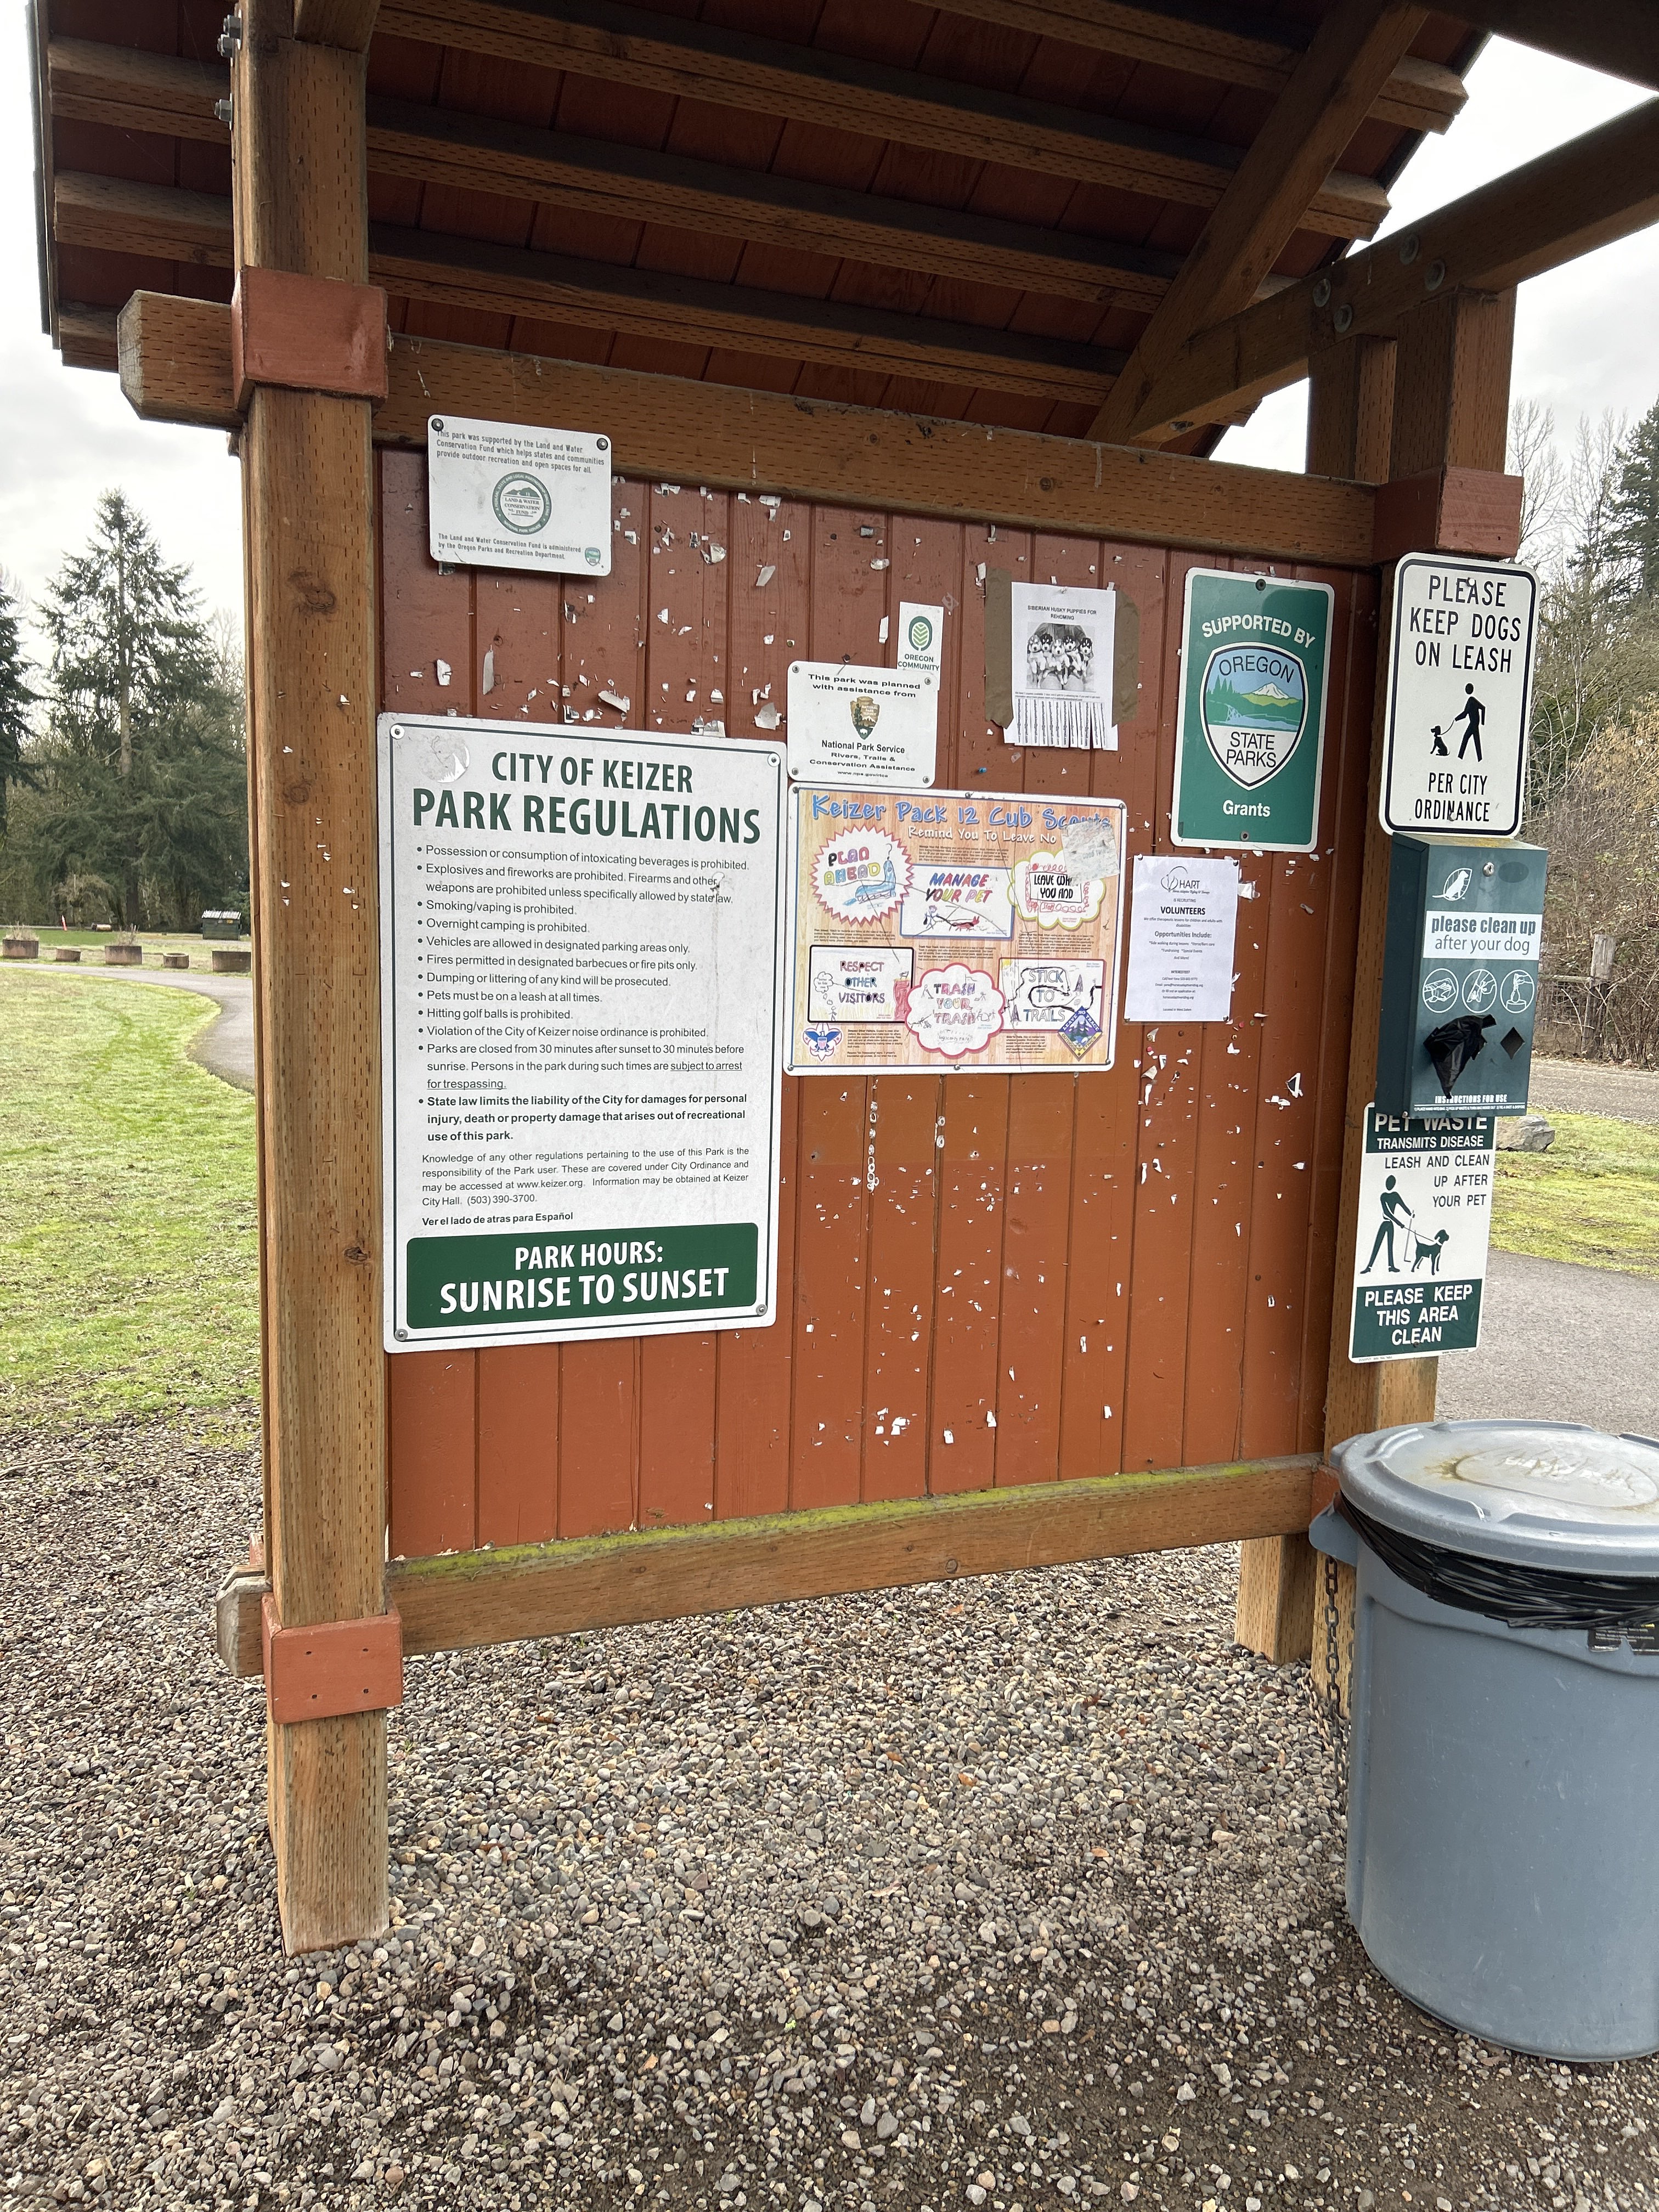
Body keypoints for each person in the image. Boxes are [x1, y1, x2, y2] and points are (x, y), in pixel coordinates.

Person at [1363, 1173, 1413, 1274]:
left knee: (1390, 1246)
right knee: (1378, 1244)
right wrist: (1399, 1223)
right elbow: (1387, 1213)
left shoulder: (1395, 1196)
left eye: (1390, 1183)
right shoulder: (1384, 1196)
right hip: (1386, 1223)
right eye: (1388, 1183)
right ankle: (1369, 1267)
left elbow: (1404, 1206)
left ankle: (1391, 1266)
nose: (1388, 1185)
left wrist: (1411, 1214)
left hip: (1390, 1225)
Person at [1453, 682, 1486, 762]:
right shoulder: (1471, 700)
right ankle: (1480, 758)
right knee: (1476, 741)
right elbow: (1465, 714)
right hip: (1475, 724)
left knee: (1466, 738)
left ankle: (1460, 757)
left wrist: (1483, 722)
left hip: (1473, 724)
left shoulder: (1471, 700)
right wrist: (1457, 719)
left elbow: (1483, 708)